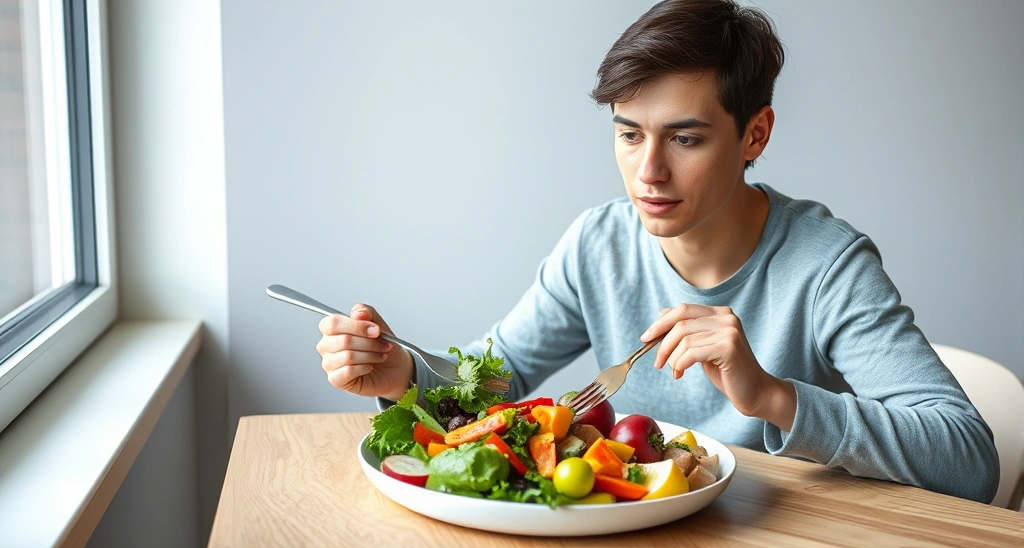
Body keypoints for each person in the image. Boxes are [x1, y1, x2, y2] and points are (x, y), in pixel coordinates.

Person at [315, 0, 999, 503]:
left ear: (755, 134)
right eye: (629, 134)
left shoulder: (828, 267)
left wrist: (773, 396)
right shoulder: (599, 245)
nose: (649, 173)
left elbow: (970, 459)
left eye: (686, 138)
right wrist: (401, 373)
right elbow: (498, 383)